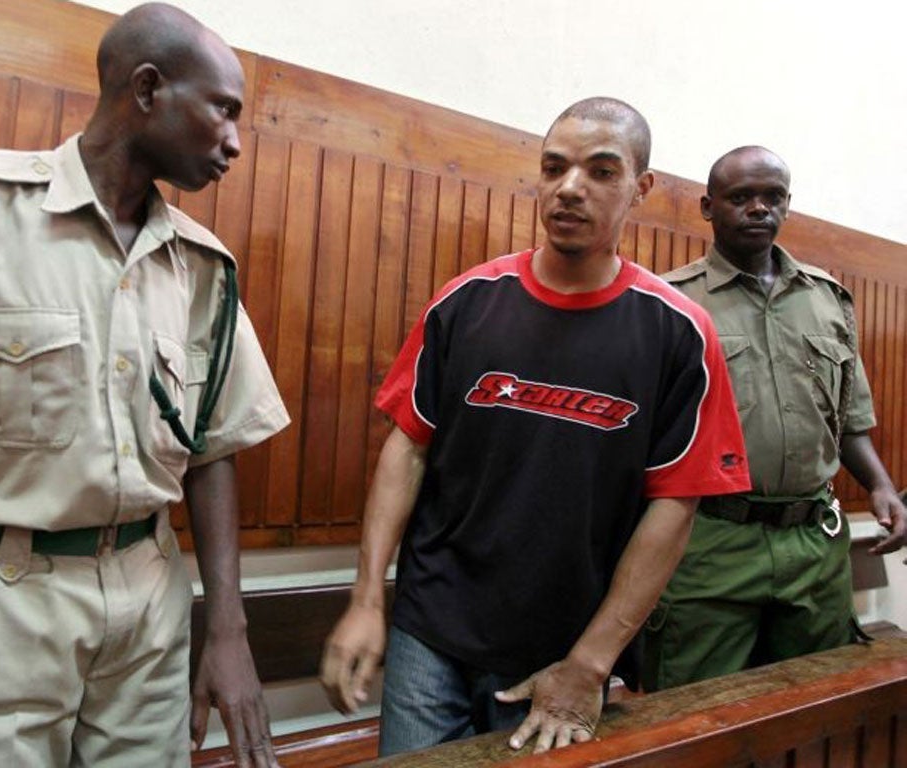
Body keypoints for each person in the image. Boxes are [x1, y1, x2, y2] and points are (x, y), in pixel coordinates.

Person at [0, 4, 289, 766]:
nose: (235, 142)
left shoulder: (202, 268)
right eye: (223, 111)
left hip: (150, 594)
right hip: (7, 598)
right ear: (146, 88)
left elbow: (214, 449)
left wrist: (227, 631)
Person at [319, 97, 751, 757]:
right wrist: (366, 601)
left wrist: (591, 663)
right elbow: (406, 451)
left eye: (601, 172)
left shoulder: (677, 331)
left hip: (559, 652)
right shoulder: (467, 302)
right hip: (430, 630)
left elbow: (675, 504)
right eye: (555, 168)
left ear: (641, 188)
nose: (569, 188)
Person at [643, 146, 907, 692]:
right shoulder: (669, 302)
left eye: (773, 197)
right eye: (741, 198)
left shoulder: (827, 299)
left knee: (812, 707)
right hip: (710, 543)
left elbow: (848, 416)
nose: (759, 209)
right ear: (708, 207)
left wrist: (881, 487)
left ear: (788, 205)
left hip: (812, 544)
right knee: (698, 712)